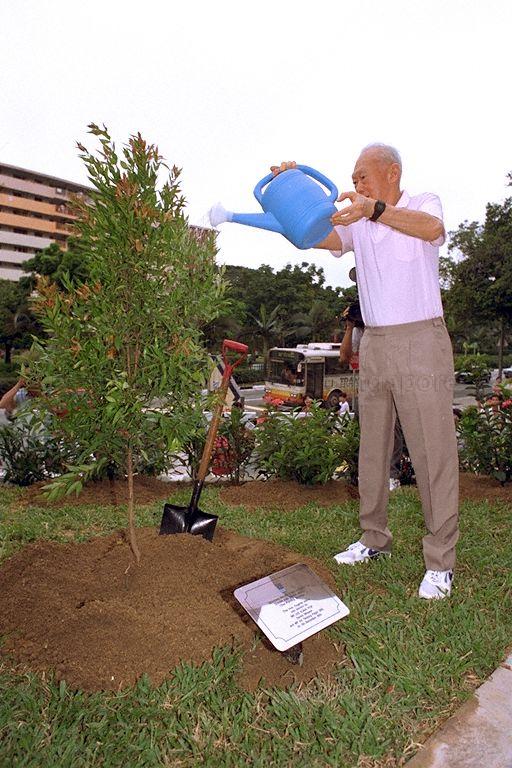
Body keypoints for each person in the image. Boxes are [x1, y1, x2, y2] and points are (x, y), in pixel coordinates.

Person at [271, 145, 459, 600]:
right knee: (372, 447)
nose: (356, 186)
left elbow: (434, 230)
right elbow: (312, 237)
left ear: (391, 172)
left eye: (362, 177)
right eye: (354, 180)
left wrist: (374, 210)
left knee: (431, 450)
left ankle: (440, 562)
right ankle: (374, 539)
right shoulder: (359, 222)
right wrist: (288, 192)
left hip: (420, 339)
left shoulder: (421, 203)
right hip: (374, 342)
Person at [340, 299, 404, 491]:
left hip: (393, 384)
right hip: (368, 387)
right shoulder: (360, 329)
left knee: (394, 430)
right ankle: (365, 475)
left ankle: (392, 476)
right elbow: (344, 357)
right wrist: (350, 327)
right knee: (365, 431)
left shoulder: (389, 320)